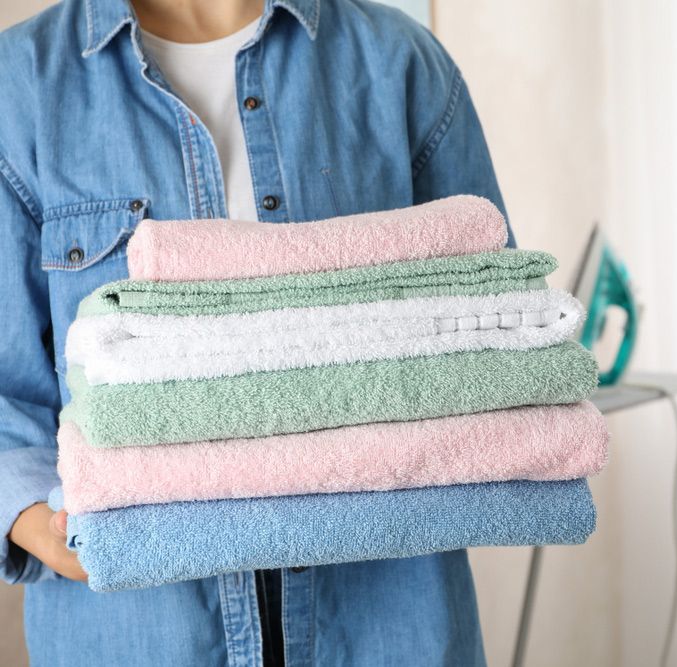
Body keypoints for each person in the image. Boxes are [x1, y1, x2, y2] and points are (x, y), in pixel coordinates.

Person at [0, 0, 512, 664]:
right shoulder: (21, 84)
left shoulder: (398, 61)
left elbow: (488, 319)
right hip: (142, 630)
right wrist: (38, 523)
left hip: (391, 626)